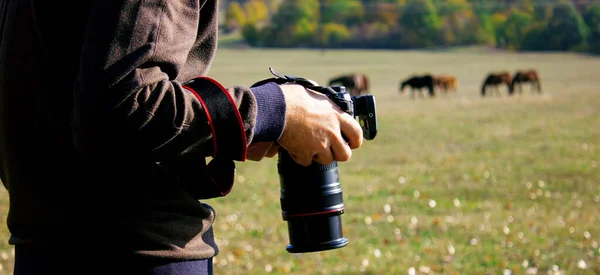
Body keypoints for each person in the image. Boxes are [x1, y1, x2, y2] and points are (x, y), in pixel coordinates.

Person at [0, 1, 363, 274]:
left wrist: (231, 127)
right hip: (138, 253)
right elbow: (121, 108)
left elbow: (57, 100)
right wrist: (276, 109)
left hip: (43, 248)